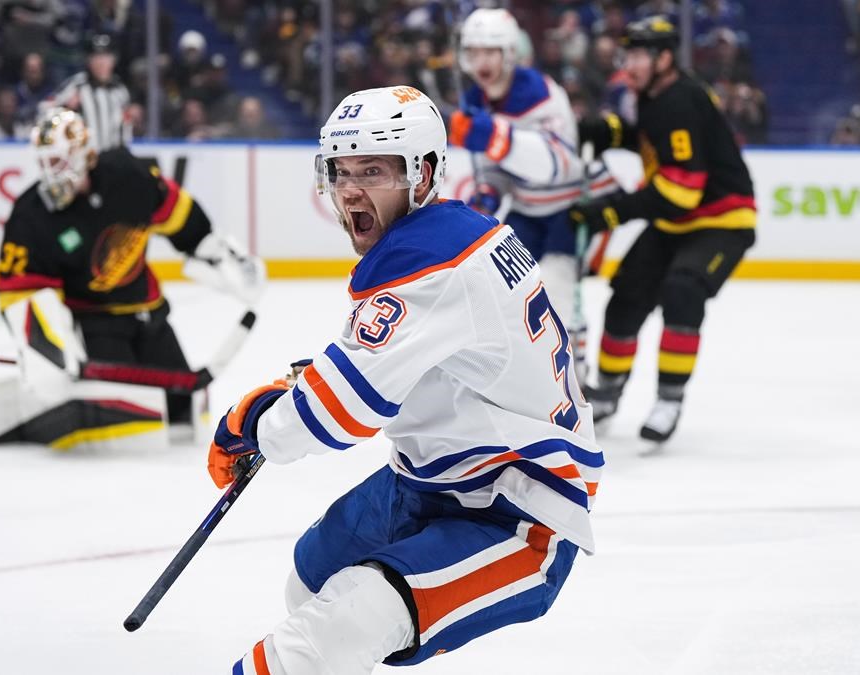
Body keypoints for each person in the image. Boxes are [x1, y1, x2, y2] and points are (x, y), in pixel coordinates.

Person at [209, 86, 603, 674]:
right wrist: (301, 389)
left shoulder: (430, 259)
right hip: (432, 478)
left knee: (341, 624)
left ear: (423, 173)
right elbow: (422, 362)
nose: (350, 190)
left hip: (515, 509)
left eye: (373, 170)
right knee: (313, 582)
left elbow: (337, 413)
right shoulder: (451, 233)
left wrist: (255, 425)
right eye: (341, 172)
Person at [0, 108, 266, 433]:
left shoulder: (127, 176)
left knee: (188, 414)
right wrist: (48, 345)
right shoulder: (31, 216)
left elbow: (178, 214)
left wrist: (216, 250)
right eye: (43, 162)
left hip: (149, 314)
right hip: (97, 325)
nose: (49, 172)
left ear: (82, 153)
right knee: (132, 421)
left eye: (56, 161)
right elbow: (19, 293)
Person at [569, 16, 756, 442]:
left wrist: (612, 211)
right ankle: (608, 394)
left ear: (665, 58)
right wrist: (617, 132)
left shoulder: (679, 100)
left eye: (638, 55)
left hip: (722, 222)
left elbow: (681, 192)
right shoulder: (657, 95)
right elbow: (660, 144)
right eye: (628, 54)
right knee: (627, 297)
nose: (628, 64)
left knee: (683, 289)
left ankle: (669, 399)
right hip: (675, 223)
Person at [447, 7, 619, 383]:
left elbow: (559, 162)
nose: (481, 61)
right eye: (474, 52)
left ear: (509, 53)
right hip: (527, 208)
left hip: (571, 208)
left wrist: (494, 137)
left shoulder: (540, 93)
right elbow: (494, 169)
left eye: (490, 51)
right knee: (502, 287)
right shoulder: (476, 100)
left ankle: (572, 374)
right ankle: (523, 374)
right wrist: (487, 195)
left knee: (556, 289)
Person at [45, 33, 131, 150]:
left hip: (113, 160)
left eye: (106, 57)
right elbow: (45, 111)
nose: (101, 63)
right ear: (88, 61)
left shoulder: (121, 91)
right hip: (82, 159)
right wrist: (65, 109)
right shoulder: (76, 85)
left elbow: (125, 130)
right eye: (96, 57)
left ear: (113, 61)